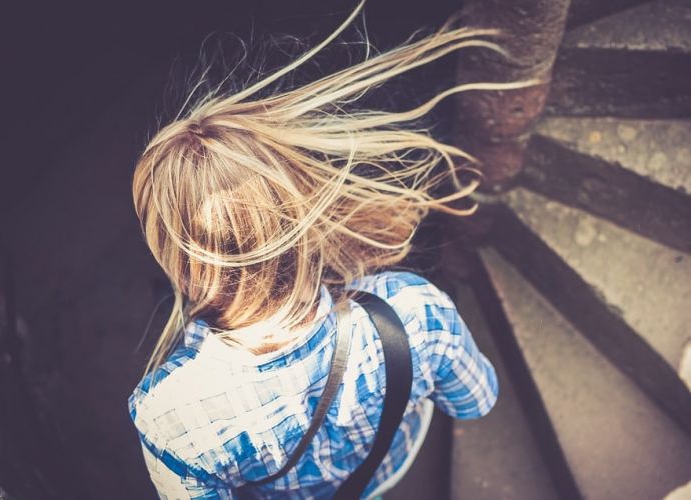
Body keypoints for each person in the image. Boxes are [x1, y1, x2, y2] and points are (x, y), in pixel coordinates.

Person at [128, 2, 521, 497]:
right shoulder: (415, 313)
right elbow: (477, 400)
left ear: (182, 267)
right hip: (387, 465)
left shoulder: (170, 417)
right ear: (305, 215)